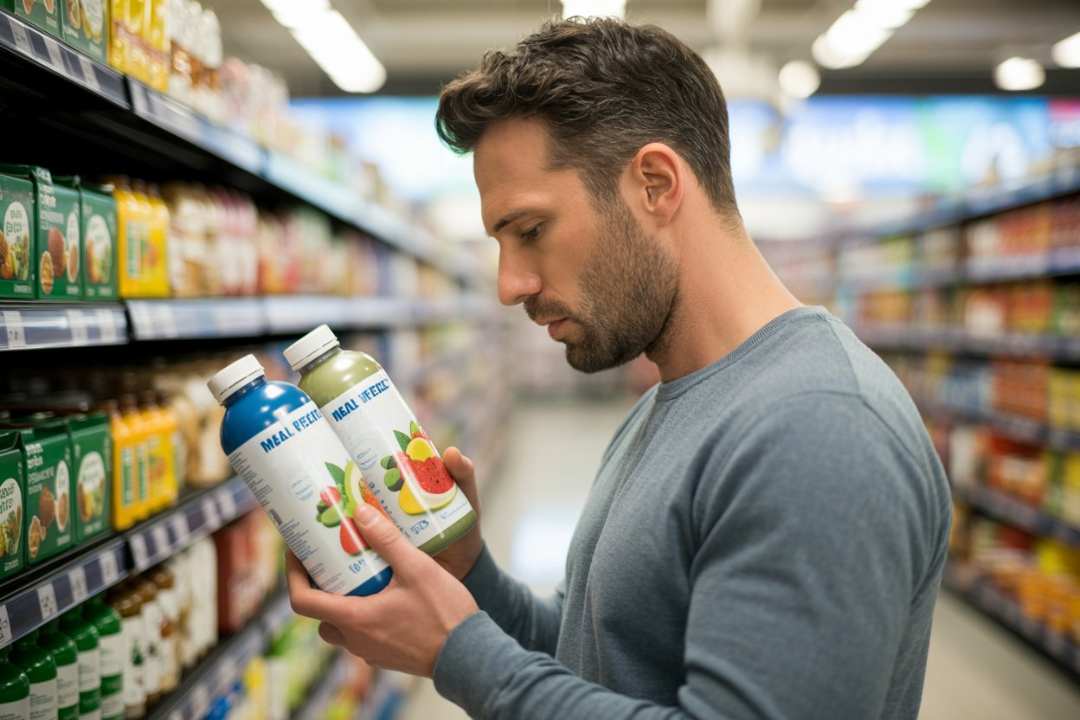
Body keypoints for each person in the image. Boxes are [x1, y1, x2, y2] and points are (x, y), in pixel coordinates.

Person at [285, 17, 952, 720]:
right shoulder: (670, 403)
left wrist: (459, 653)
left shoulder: (818, 425)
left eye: (531, 231)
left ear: (657, 184)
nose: (509, 285)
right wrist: (469, 578)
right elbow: (599, 661)